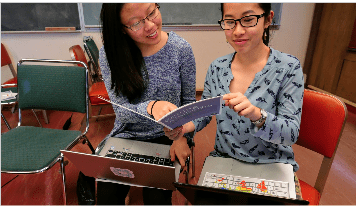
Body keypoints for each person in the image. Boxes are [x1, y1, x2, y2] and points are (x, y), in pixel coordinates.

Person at [165, 3, 304, 177]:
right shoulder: (217, 67)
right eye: (230, 22)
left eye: (248, 20)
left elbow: (290, 134)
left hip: (272, 165)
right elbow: (205, 112)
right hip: (225, 161)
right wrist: (184, 126)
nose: (237, 31)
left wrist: (256, 114)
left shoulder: (288, 68)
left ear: (268, 19)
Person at [97, 3, 196, 205]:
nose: (150, 26)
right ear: (121, 29)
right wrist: (151, 107)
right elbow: (121, 112)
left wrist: (182, 137)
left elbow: (189, 104)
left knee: (156, 198)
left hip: (167, 136)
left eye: (152, 12)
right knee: (106, 195)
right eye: (136, 23)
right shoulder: (110, 55)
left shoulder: (180, 49)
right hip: (127, 134)